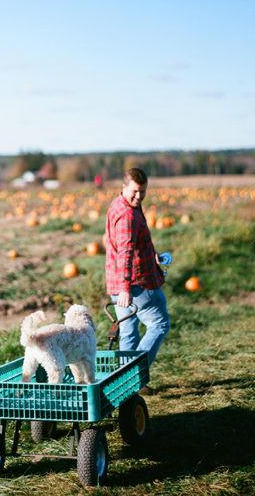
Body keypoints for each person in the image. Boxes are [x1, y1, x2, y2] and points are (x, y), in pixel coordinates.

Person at [105, 167, 171, 395]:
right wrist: (125, 289)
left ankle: (129, 386)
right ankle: (132, 377)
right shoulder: (128, 216)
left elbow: (127, 246)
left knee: (129, 333)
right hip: (135, 284)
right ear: (124, 187)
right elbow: (124, 253)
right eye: (134, 191)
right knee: (159, 324)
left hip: (117, 281)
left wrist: (149, 254)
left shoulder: (119, 204)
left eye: (142, 191)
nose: (139, 196)